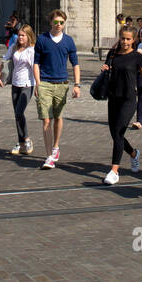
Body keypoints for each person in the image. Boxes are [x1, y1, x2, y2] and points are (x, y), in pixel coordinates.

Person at [100, 26, 142, 185]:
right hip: (113, 98)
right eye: (123, 38)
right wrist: (105, 70)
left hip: (128, 100)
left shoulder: (137, 57)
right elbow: (107, 71)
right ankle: (134, 154)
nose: (125, 41)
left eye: (128, 39)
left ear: (133, 40)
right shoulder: (112, 54)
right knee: (115, 134)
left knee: (119, 133)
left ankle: (114, 171)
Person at [33, 9, 81, 169]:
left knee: (58, 118)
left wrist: (77, 85)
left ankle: (56, 147)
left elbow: (75, 64)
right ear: (50, 22)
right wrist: (38, 83)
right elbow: (36, 63)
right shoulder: (42, 39)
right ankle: (49, 157)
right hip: (45, 83)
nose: (59, 25)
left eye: (61, 22)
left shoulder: (68, 41)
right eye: (56, 22)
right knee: (46, 119)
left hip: (62, 83)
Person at [0, 23, 35, 155]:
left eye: (23, 35)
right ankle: (21, 142)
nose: (20, 37)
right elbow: (5, 59)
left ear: (29, 36)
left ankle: (27, 139)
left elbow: (35, 68)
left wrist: (38, 85)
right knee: (17, 115)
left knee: (19, 112)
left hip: (27, 84)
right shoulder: (14, 47)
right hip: (15, 83)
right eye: (19, 35)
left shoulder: (31, 50)